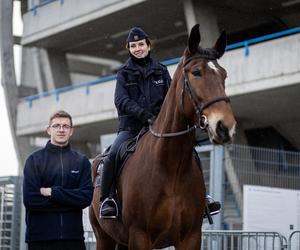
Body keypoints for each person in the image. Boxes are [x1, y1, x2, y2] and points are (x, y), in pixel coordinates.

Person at [99, 27, 221, 220]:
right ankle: (107, 200)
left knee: (191, 152)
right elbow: (121, 101)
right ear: (129, 49)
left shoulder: (161, 70)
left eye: (141, 44)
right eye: (133, 46)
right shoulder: (124, 73)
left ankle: (203, 197)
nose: (137, 48)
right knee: (112, 155)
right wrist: (145, 115)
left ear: (148, 46)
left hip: (160, 126)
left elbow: (172, 97)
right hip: (131, 128)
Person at [23, 110, 93, 250]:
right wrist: (71, 201)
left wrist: (53, 193)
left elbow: (85, 198)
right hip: (40, 240)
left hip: (73, 239)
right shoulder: (34, 160)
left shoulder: (82, 162)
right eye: (56, 126)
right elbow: (31, 200)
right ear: (49, 130)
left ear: (71, 131)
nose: (61, 130)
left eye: (66, 126)